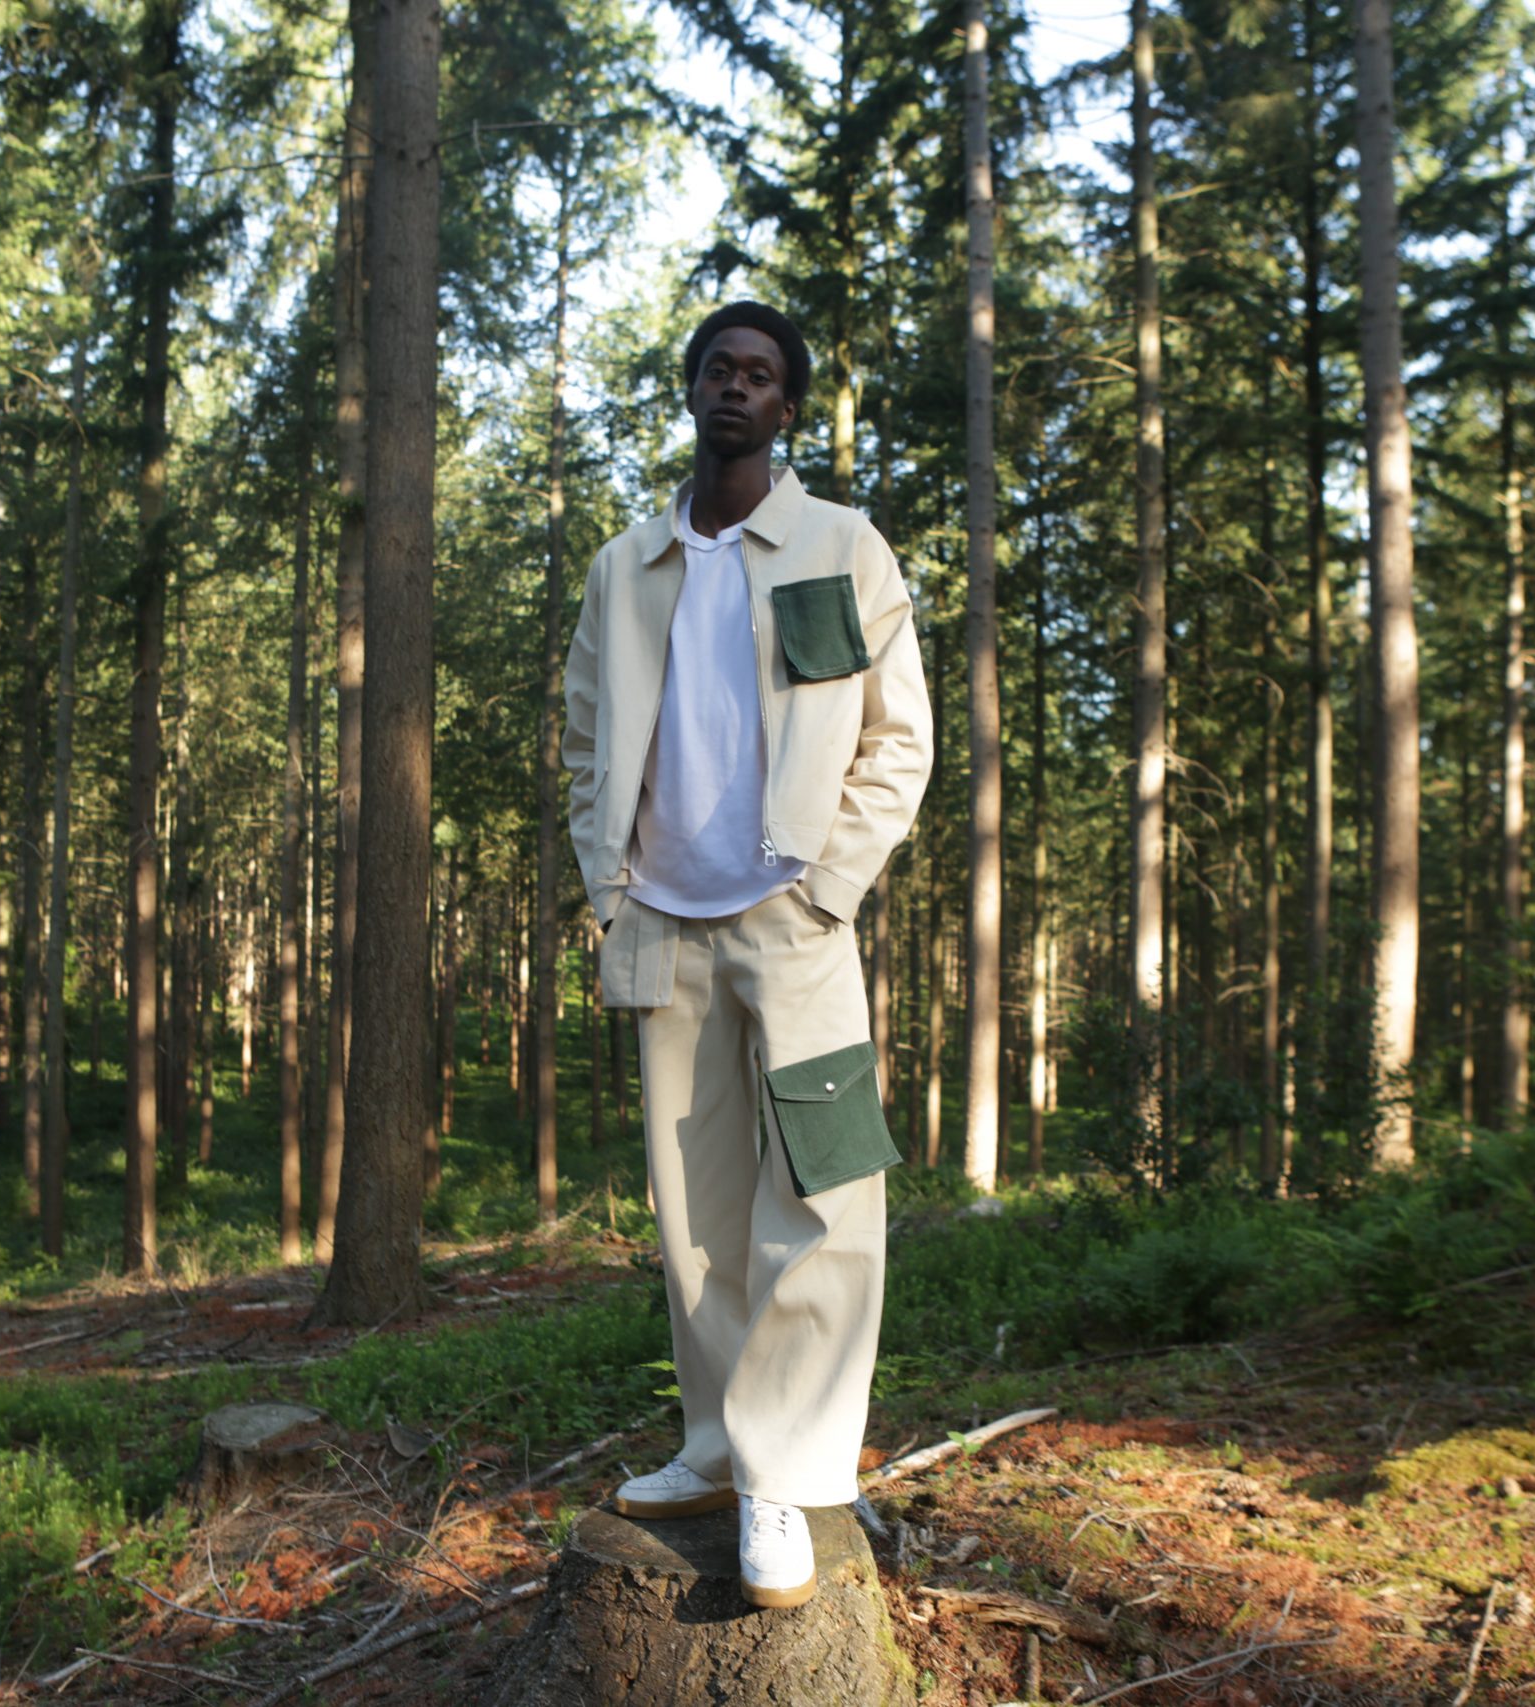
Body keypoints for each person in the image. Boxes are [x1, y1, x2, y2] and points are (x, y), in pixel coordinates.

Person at [561, 300, 933, 1609]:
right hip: (664, 928)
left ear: (787, 408)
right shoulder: (627, 567)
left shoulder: (840, 547)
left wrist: (827, 887)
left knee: (824, 1195)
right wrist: (609, 885)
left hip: (795, 926)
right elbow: (586, 733)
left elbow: (898, 738)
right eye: (719, 367)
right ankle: (718, 1450)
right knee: (699, 1219)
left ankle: (789, 1475)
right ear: (692, 389)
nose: (736, 386)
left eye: (761, 375)